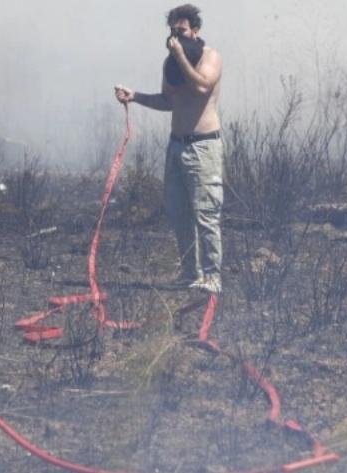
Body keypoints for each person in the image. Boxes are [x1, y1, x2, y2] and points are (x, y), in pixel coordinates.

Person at [115, 3, 224, 293]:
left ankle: (212, 276)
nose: (176, 36)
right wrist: (135, 96)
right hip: (176, 146)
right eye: (173, 31)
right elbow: (168, 101)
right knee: (178, 212)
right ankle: (190, 273)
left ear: (195, 30)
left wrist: (179, 55)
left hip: (203, 147)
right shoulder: (171, 65)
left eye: (182, 30)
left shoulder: (210, 57)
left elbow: (202, 87)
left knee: (205, 213)